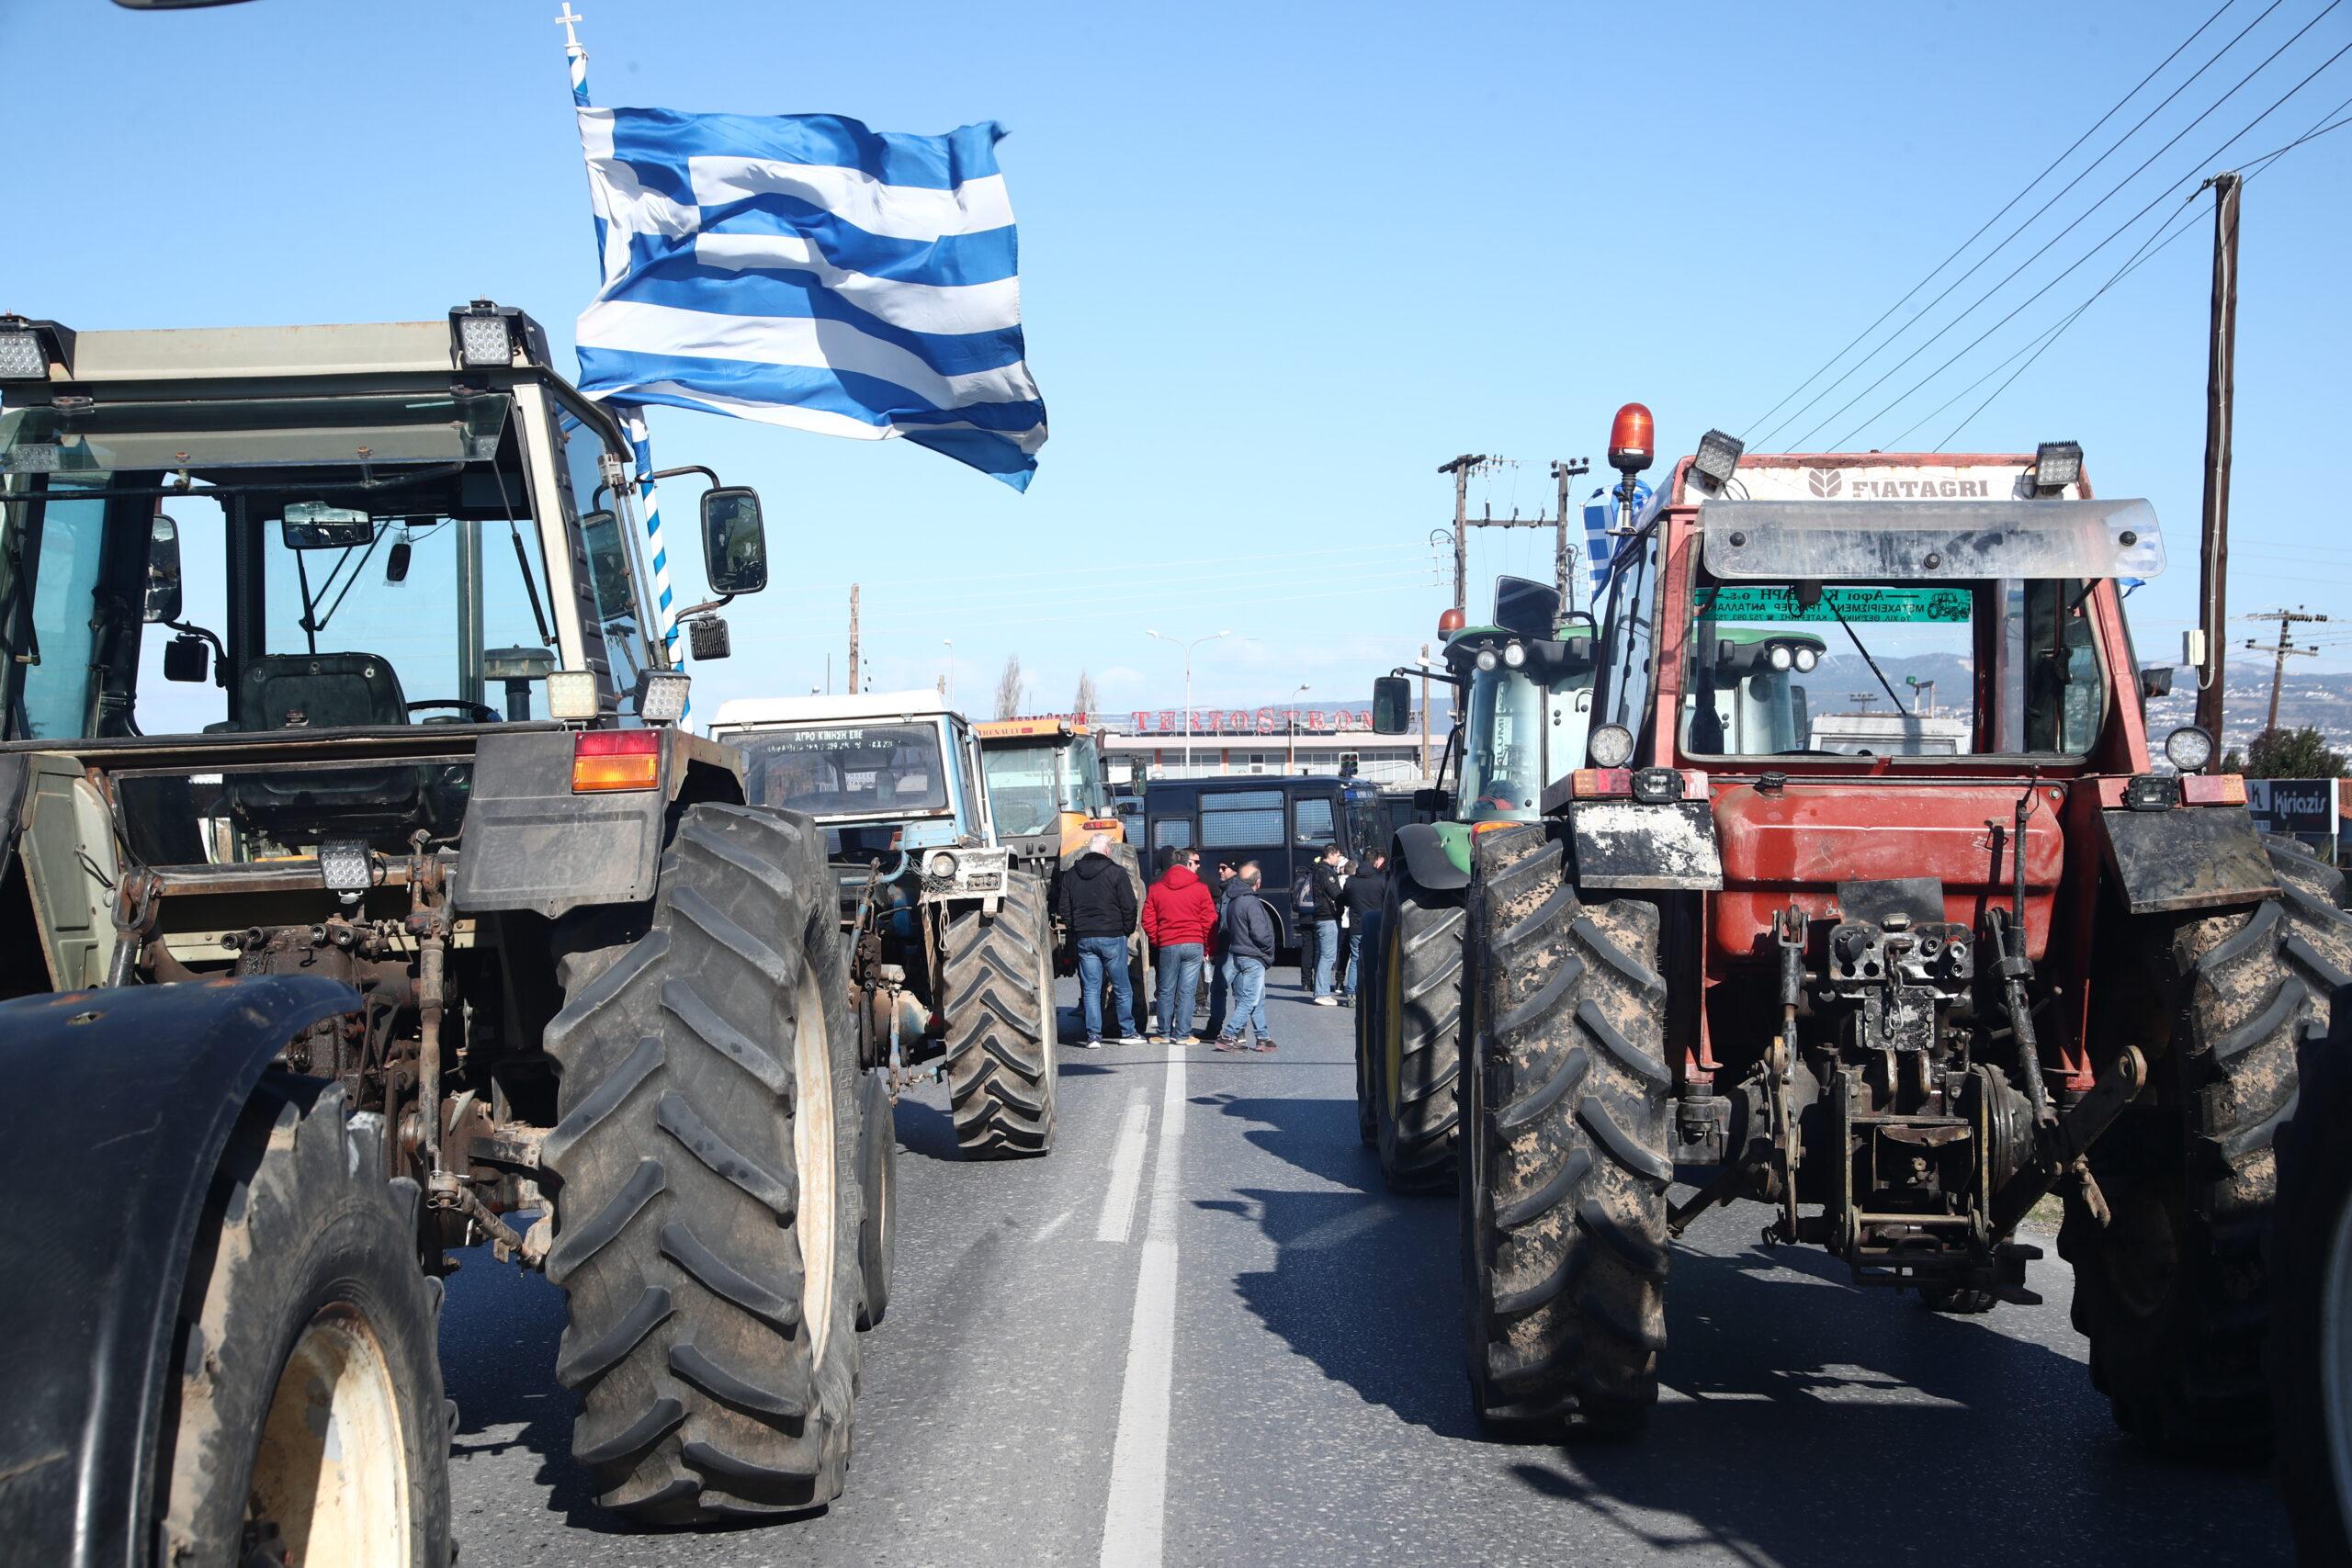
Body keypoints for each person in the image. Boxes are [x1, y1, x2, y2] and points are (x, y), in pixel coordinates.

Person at [1057, 832, 1144, 1046]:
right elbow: (1129, 905)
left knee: (1091, 989)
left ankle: (1093, 1036)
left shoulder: (1070, 875)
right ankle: (1127, 1033)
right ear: (1107, 850)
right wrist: (1126, 929)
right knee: (1122, 987)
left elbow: (1064, 908)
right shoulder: (1117, 872)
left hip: (1085, 939)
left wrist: (1075, 929)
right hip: (1112, 936)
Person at [1142, 846, 1217, 1045]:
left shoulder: (1156, 888)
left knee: (1166, 989)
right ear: (1187, 864)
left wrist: (1158, 940)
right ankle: (1183, 1034)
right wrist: (1209, 947)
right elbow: (1209, 920)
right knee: (1187, 990)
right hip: (1194, 944)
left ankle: (1164, 1033)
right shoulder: (1200, 888)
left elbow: (1147, 919)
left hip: (1168, 943)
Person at [1212, 862, 1279, 1052]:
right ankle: (1229, 1034)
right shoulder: (1251, 902)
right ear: (1257, 881)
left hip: (1237, 953)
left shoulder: (1233, 900)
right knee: (1250, 999)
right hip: (1253, 956)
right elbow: (1260, 933)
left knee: (1257, 997)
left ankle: (1263, 1037)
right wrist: (1268, 950)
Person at [1340, 851, 1386, 1006]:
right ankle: (1375, 992)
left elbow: (1345, 900)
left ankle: (1351, 994)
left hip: (1357, 925)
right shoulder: (1382, 880)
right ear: (1375, 862)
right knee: (1378, 959)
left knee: (1355, 959)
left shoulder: (1351, 881)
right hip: (1377, 925)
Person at [1204, 861, 1239, 1038]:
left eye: (1224, 868)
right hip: (1238, 948)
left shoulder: (1231, 892)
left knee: (1218, 989)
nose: (1219, 871)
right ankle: (1239, 1031)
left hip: (1228, 947)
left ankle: (1214, 1028)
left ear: (1235, 869)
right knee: (1239, 991)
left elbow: (1223, 922)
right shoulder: (1231, 889)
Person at [1309, 843, 1347, 1005]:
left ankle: (1321, 991)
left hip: (1323, 916)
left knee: (1326, 955)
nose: (1339, 859)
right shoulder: (1326, 872)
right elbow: (1336, 894)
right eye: (1338, 856)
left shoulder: (1319, 870)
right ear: (1331, 855)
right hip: (1327, 917)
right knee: (1328, 956)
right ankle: (1322, 993)